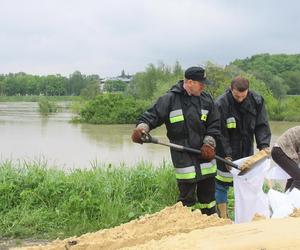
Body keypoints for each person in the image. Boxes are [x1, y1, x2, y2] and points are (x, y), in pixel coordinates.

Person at [131, 66, 220, 215]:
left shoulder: (207, 100)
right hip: (183, 158)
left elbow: (215, 124)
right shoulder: (169, 100)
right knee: (187, 202)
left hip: (205, 157)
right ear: (190, 82)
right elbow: (151, 117)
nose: (204, 87)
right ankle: (186, 231)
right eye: (201, 83)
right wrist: (142, 128)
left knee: (208, 199)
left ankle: (211, 225)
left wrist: (209, 143)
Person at [215, 76, 271, 218]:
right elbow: (220, 133)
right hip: (226, 151)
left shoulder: (256, 101)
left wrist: (263, 146)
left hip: (247, 150)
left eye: (243, 96)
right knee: (222, 183)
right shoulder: (221, 104)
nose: (240, 99)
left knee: (248, 184)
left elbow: (262, 125)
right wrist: (226, 155)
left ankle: (250, 215)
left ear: (248, 90)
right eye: (236, 96)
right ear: (231, 89)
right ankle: (223, 217)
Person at [271, 126, 300, 192]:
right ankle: (291, 200)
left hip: (281, 151)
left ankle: (286, 197)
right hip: (280, 151)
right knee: (298, 178)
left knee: (293, 176)